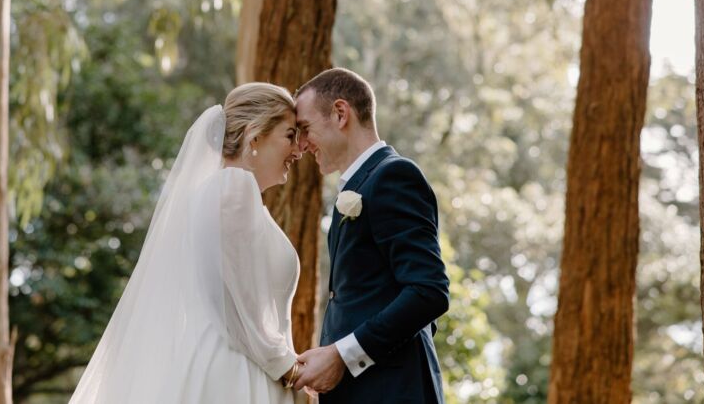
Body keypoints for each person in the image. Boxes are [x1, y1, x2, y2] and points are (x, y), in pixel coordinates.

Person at [69, 83, 305, 403]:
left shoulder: (219, 193)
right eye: (290, 135)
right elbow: (244, 308)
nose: (298, 150)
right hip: (238, 375)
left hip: (244, 363)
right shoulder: (233, 189)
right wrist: (292, 371)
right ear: (255, 135)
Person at [290, 67, 449, 403]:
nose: (301, 145)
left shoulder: (393, 176)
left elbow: (429, 290)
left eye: (305, 129)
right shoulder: (358, 186)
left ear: (340, 113)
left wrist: (341, 355)